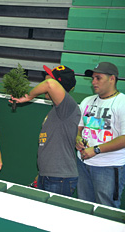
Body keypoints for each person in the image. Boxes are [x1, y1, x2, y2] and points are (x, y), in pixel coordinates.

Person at [11, 65, 80, 196]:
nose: (43, 85)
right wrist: (40, 174)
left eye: (49, 79)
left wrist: (29, 96)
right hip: (48, 175)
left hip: (59, 178)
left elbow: (50, 84)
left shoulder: (68, 106)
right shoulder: (56, 110)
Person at [76, 62, 125, 208]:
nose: (93, 82)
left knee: (107, 209)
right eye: (93, 78)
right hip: (83, 164)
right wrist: (77, 139)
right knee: (84, 206)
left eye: (98, 78)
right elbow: (77, 128)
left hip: (109, 166)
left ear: (112, 79)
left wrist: (96, 149)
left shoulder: (122, 103)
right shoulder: (87, 101)